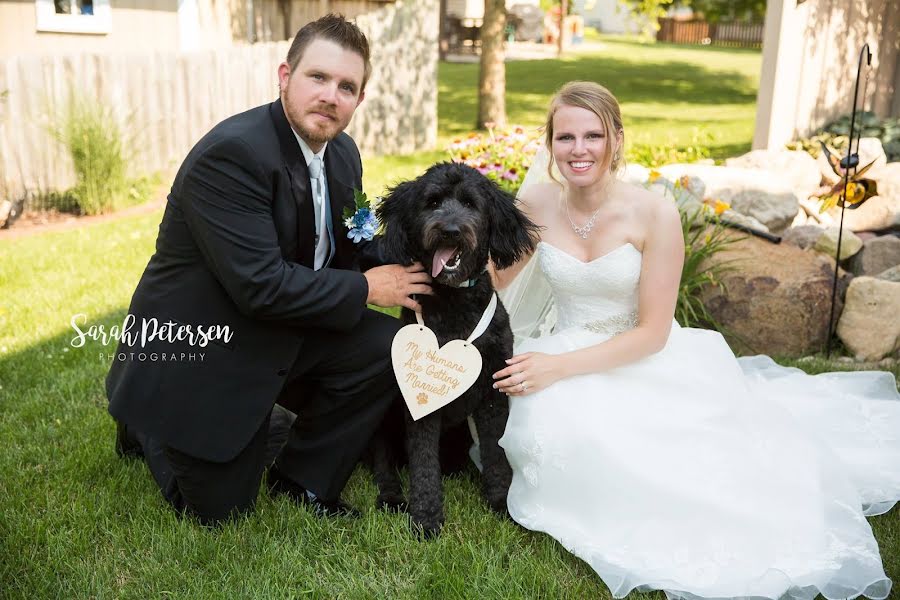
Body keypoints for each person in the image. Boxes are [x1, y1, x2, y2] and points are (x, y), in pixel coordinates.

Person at [490, 81, 900, 600]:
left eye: (592, 135)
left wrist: (558, 366)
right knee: (543, 422)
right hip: (560, 342)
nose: (579, 150)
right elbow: (499, 279)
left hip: (636, 353)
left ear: (616, 138)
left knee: (655, 454)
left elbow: (652, 333)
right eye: (565, 137)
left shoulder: (654, 212)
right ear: (550, 144)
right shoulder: (535, 203)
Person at [106, 14, 431, 525]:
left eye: (347, 86)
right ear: (285, 76)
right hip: (211, 342)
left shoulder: (343, 153)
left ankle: (304, 479)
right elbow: (261, 288)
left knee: (389, 345)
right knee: (220, 512)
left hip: (285, 326)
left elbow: (359, 235)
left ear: (359, 99)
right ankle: (149, 425)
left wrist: (424, 258)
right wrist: (369, 286)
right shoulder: (232, 155)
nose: (330, 95)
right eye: (317, 78)